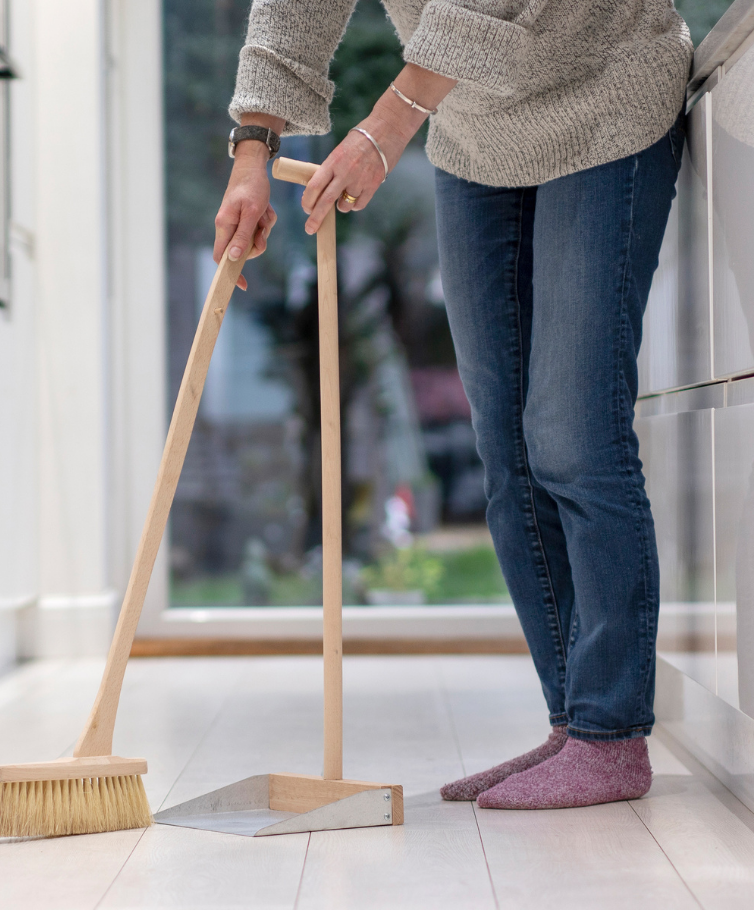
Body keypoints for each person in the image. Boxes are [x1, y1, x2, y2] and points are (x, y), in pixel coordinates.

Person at [214, 0, 693, 809]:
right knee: (506, 448)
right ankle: (571, 725)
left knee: (573, 432)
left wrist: (387, 124)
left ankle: (611, 735)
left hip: (604, 94)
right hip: (473, 135)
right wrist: (252, 151)